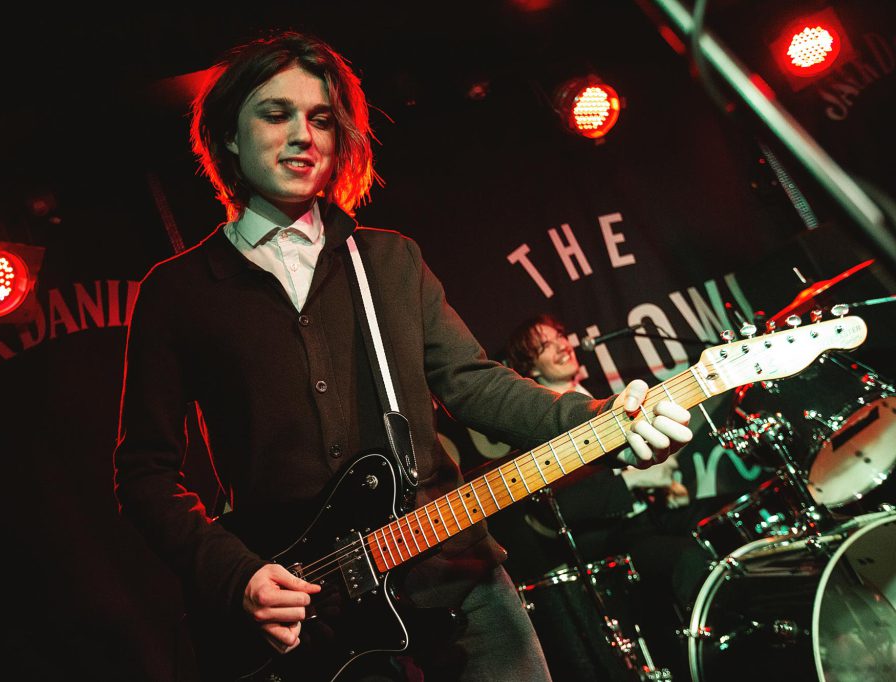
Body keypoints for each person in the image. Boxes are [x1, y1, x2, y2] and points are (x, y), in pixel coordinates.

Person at [112, 31, 693, 682]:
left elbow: (475, 385)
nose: (303, 135)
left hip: (457, 574)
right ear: (227, 135)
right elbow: (145, 474)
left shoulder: (389, 259)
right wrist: (235, 574)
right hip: (309, 614)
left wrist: (603, 420)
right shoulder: (180, 293)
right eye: (276, 114)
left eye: (321, 119)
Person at [494, 313, 728, 676]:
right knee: (687, 558)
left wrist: (662, 487)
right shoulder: (540, 426)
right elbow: (562, 505)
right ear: (531, 368)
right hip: (607, 545)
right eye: (544, 346)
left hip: (646, 518)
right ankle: (715, 661)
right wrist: (633, 483)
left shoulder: (600, 395)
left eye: (559, 335)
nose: (561, 345)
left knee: (723, 521)